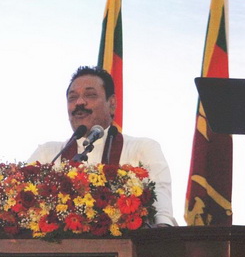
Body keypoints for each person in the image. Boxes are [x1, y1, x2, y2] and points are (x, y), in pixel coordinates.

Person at [29, 66, 177, 227]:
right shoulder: (47, 154)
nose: (79, 102)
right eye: (72, 97)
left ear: (112, 104)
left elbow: (161, 210)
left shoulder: (142, 148)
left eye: (90, 95)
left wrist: (163, 229)